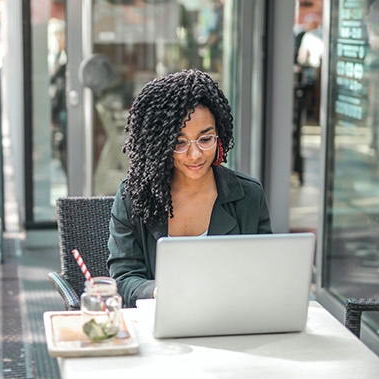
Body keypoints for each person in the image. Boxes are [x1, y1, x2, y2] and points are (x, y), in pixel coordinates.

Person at [107, 70, 272, 308]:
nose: (195, 155)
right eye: (179, 142)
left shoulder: (248, 196)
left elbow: (265, 275)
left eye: (205, 140)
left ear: (220, 136)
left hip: (232, 322)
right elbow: (123, 280)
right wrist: (158, 291)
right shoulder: (133, 197)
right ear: (159, 145)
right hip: (159, 325)